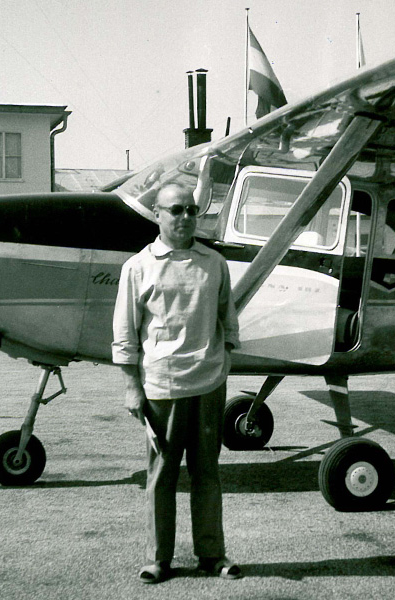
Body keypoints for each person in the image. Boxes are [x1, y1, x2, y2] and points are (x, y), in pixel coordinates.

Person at [112, 182, 242, 584]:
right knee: (161, 477)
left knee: (207, 475)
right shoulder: (138, 267)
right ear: (157, 214)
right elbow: (124, 334)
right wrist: (132, 387)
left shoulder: (214, 263)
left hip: (208, 386)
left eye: (191, 210)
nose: (185, 217)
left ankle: (212, 555)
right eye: (176, 210)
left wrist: (223, 361)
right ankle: (158, 560)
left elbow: (228, 320)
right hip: (162, 389)